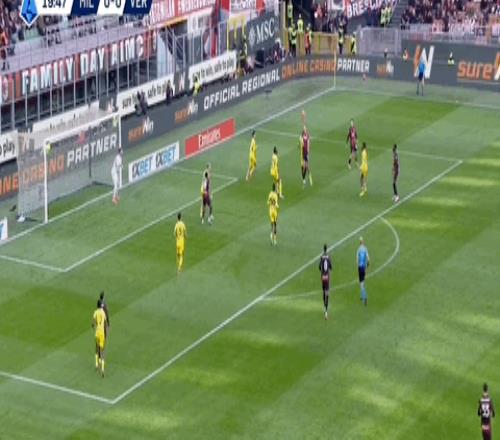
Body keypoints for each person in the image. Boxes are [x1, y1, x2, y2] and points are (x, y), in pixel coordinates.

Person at [92, 300, 107, 377]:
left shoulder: (95, 312)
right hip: (102, 333)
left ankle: (96, 364)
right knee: (102, 350)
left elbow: (93, 323)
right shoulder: (103, 312)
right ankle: (102, 370)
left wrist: (94, 327)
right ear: (101, 305)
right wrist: (105, 331)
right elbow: (105, 323)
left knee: (96, 348)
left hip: (97, 332)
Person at [319, 244, 333, 320]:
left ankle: (324, 307)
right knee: (327, 293)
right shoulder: (328, 257)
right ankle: (326, 312)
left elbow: (319, 267)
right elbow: (331, 267)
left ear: (323, 249)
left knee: (324, 292)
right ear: (327, 249)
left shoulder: (321, 257)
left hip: (322, 277)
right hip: (327, 277)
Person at [357, 237, 370, 306]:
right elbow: (368, 259)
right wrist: (366, 267)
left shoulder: (358, 250)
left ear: (360, 243)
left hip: (360, 268)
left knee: (361, 284)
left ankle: (365, 297)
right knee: (363, 283)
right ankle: (362, 296)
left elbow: (357, 260)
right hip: (364, 268)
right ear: (363, 242)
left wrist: (359, 266)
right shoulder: (365, 249)